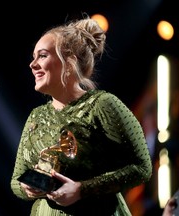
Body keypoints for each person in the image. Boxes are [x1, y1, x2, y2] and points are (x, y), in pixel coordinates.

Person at [10, 14, 153, 216]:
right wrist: (27, 188)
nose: (32, 65)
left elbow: (142, 167)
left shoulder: (102, 104)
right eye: (33, 57)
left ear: (69, 61)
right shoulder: (36, 116)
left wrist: (82, 189)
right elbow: (16, 179)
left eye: (42, 55)